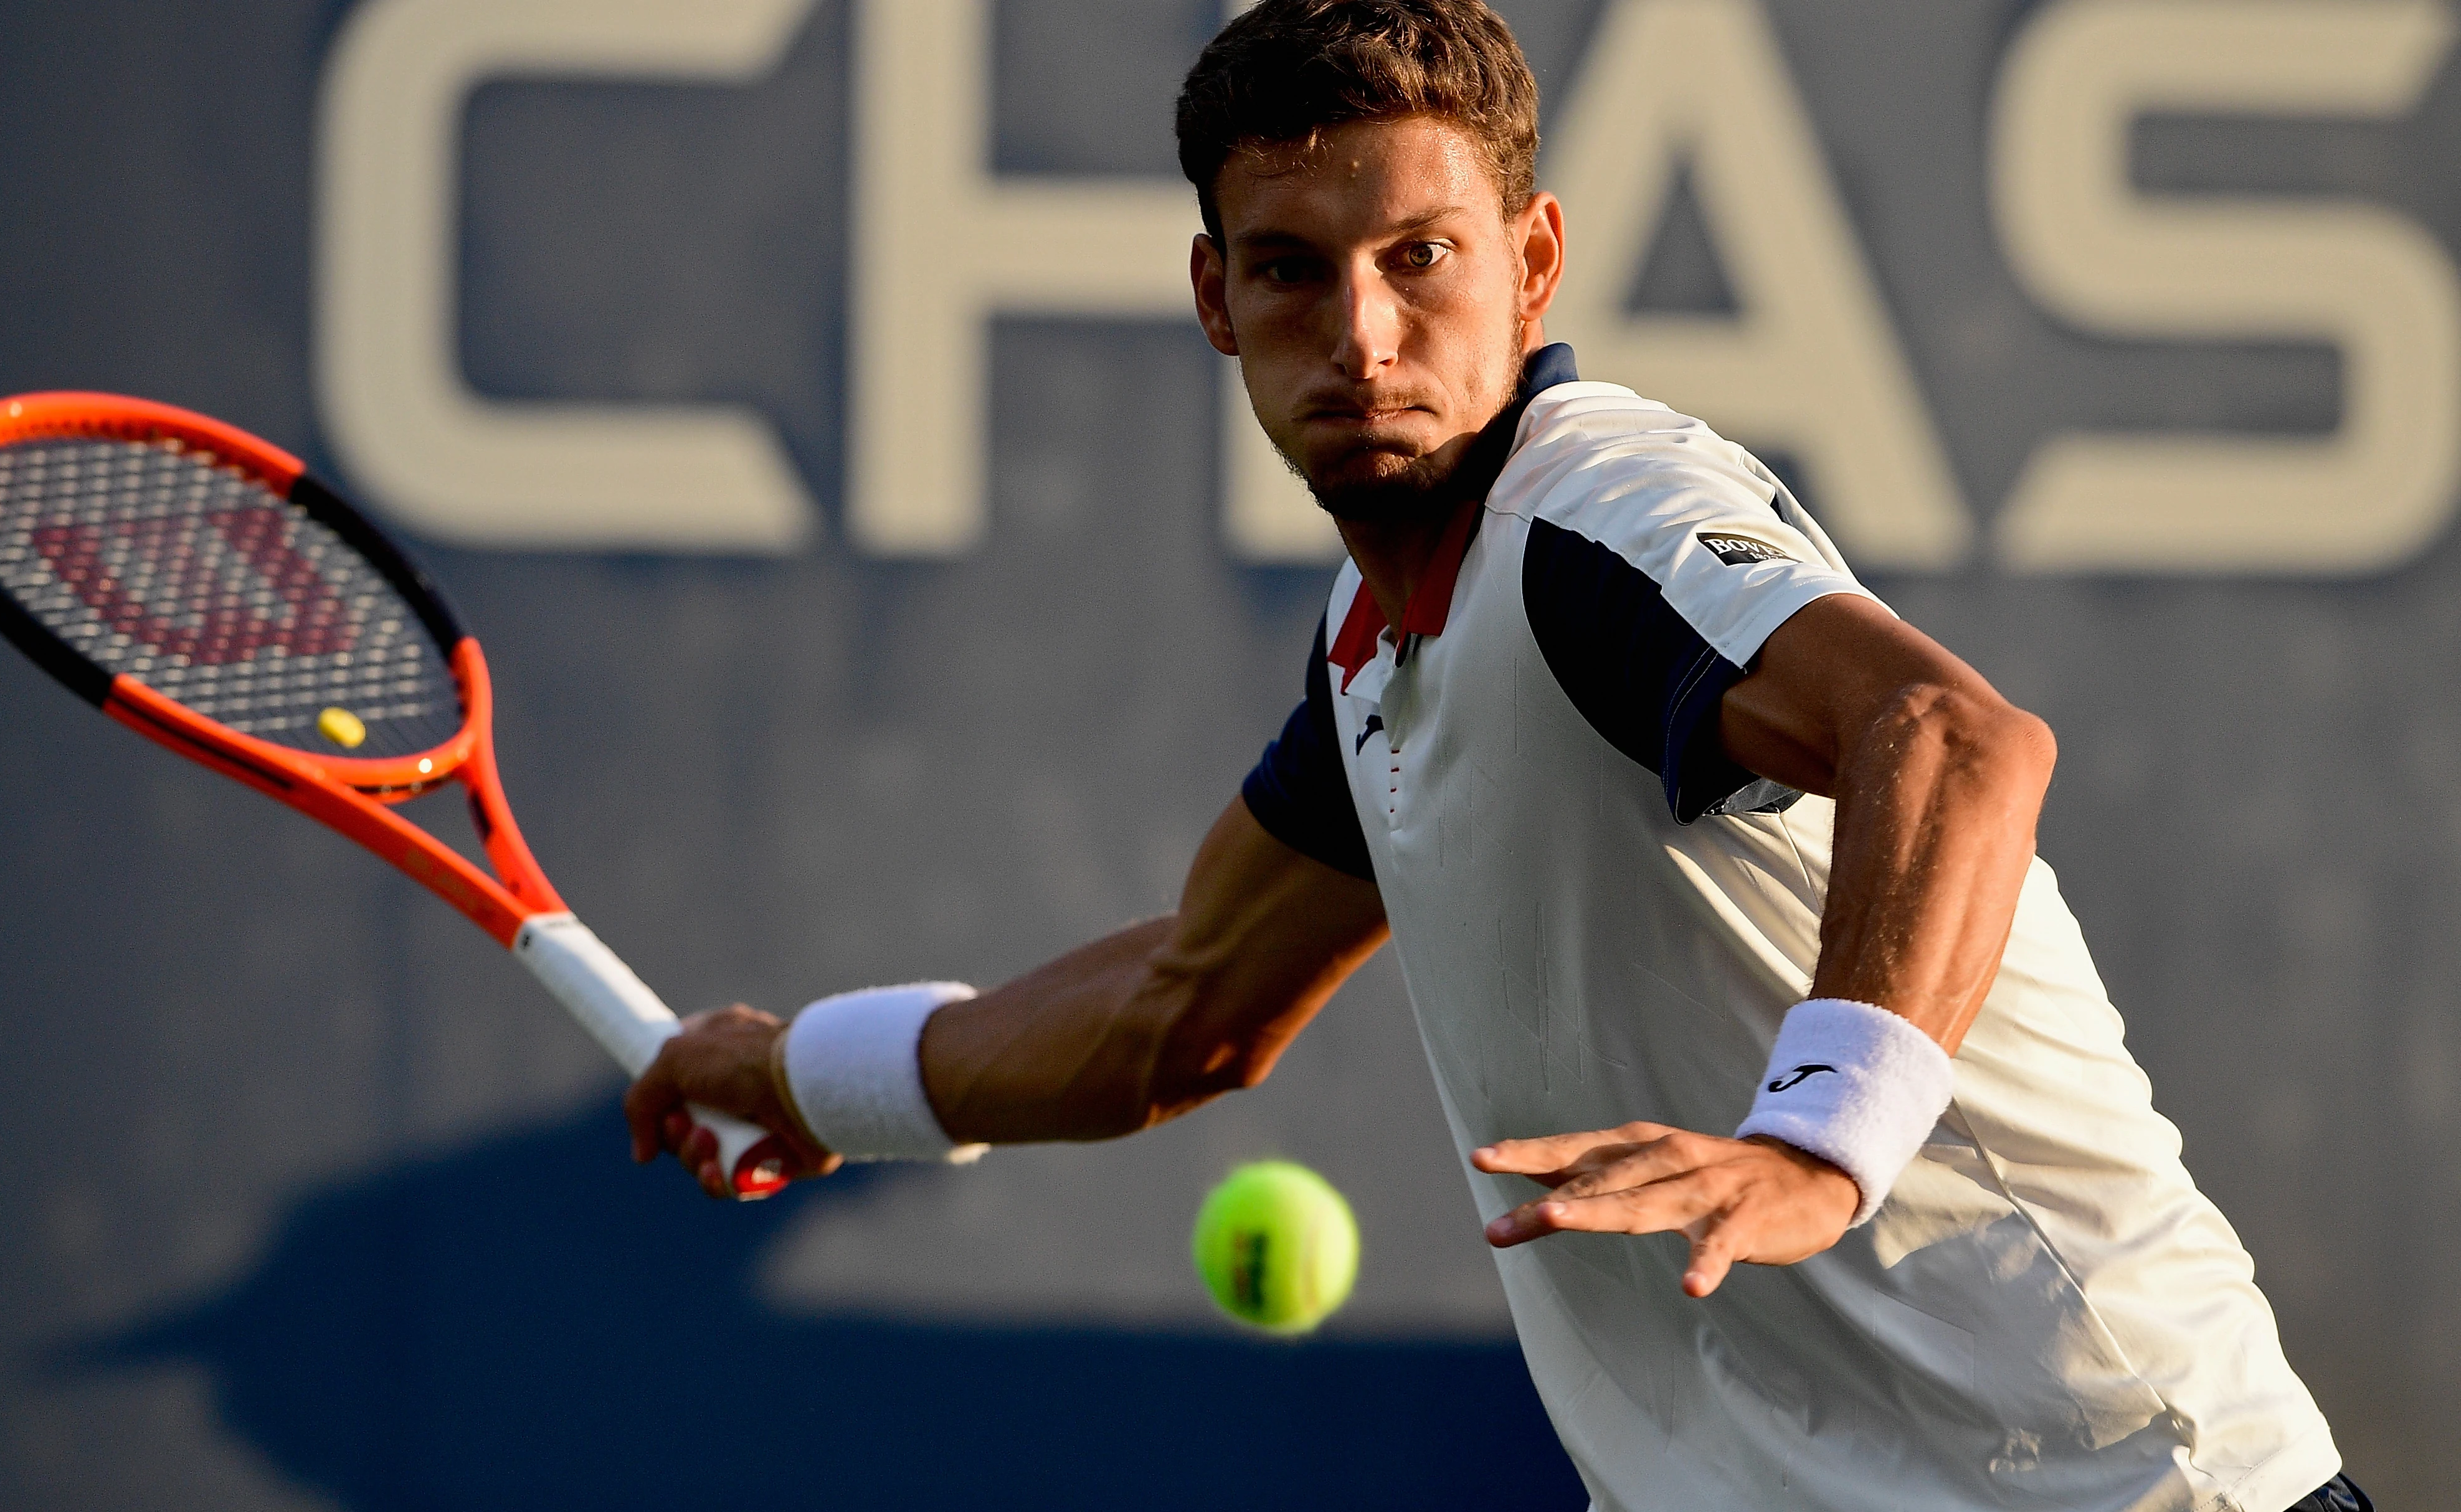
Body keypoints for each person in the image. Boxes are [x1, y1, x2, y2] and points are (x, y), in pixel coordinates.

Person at [627, 2, 2361, 1506]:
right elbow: (1182, 1002)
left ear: (1530, 262)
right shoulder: (1383, 631)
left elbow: (1953, 734)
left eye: (1418, 258)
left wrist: (1822, 1138)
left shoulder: (1594, 524)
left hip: (2105, 1486)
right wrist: (796, 1076)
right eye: (1291, 270)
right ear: (1214, 298)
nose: (1363, 337)